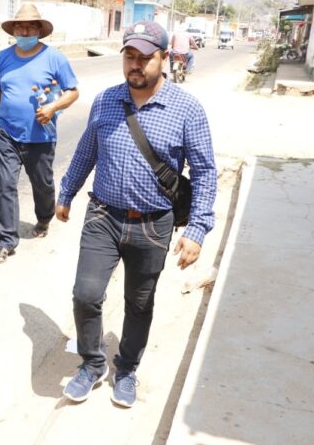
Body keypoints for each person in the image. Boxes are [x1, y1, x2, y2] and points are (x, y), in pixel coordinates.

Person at [56, 20, 216, 408]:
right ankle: (93, 365)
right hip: (103, 217)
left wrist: (196, 229)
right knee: (85, 295)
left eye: (146, 57)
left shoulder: (186, 109)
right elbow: (87, 151)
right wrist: (66, 192)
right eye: (130, 56)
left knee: (139, 303)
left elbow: (206, 170)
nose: (136, 64)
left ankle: (126, 368)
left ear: (164, 58)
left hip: (153, 225)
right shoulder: (107, 100)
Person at [0, 4, 79, 264]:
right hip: (8, 134)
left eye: (30, 26)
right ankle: (6, 241)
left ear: (39, 30)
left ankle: (44, 217)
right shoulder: (2, 58)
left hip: (41, 138)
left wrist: (53, 106)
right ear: (13, 30)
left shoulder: (54, 58)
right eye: (19, 26)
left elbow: (72, 91)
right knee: (6, 186)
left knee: (42, 184)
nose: (24, 30)